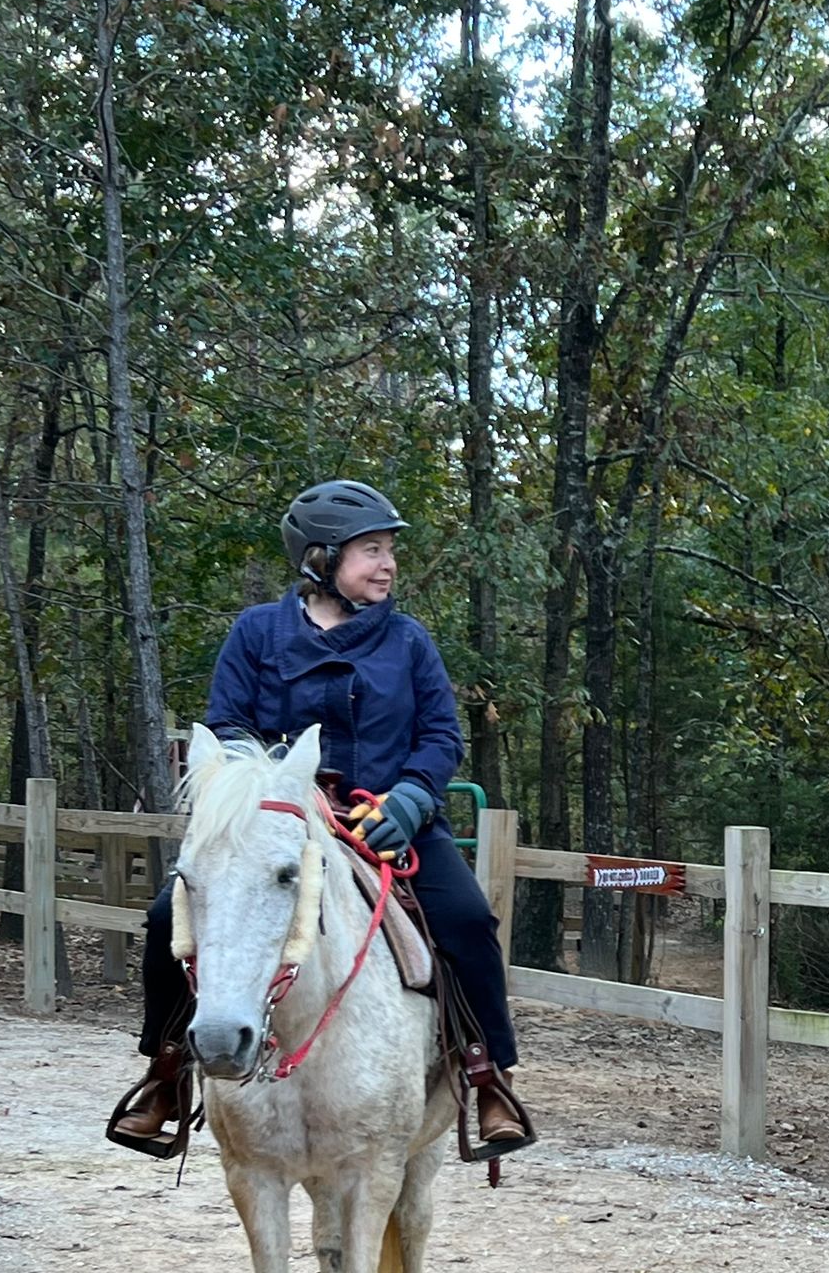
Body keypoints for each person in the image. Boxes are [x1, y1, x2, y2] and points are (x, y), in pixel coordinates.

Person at [106, 480, 535, 1158]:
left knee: (467, 922)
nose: (387, 564)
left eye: (389, 550)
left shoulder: (409, 641)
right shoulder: (256, 634)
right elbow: (228, 730)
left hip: (389, 821)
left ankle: (489, 1077)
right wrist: (275, 794)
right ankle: (165, 1073)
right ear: (321, 558)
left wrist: (413, 800)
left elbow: (439, 736)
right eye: (371, 551)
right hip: (278, 819)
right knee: (168, 919)